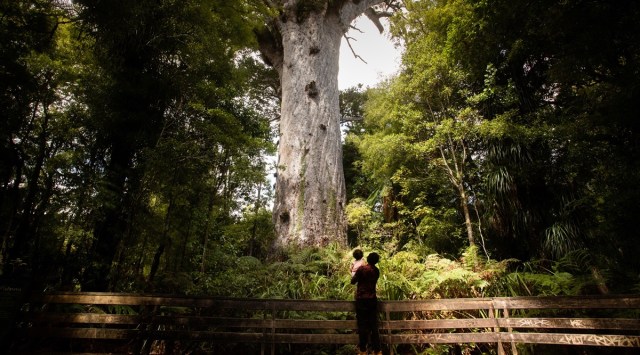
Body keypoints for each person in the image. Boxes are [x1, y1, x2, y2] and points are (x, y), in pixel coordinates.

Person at [351, 252, 381, 355]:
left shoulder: (362, 269)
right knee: (374, 326)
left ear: (367, 259)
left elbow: (353, 281)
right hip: (372, 300)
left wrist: (353, 272)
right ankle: (377, 351)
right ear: (376, 261)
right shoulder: (377, 271)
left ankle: (363, 350)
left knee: (362, 325)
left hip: (361, 300)